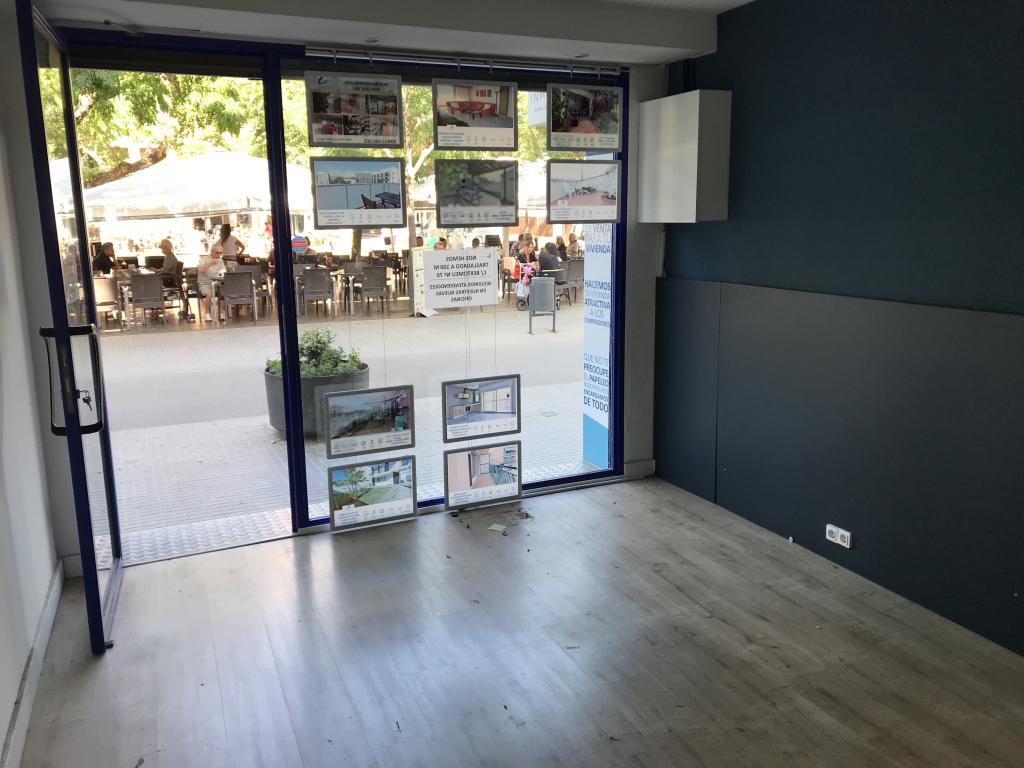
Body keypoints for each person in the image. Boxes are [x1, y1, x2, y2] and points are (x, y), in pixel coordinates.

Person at [196, 242, 227, 322]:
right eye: (217, 253)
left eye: (221, 253)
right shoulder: (203, 259)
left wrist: (221, 273)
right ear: (212, 251)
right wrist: (211, 263)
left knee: (223, 292)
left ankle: (221, 313)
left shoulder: (220, 261)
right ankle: (207, 314)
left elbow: (224, 271)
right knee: (209, 294)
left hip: (217, 283)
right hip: (205, 283)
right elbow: (200, 269)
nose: (219, 255)